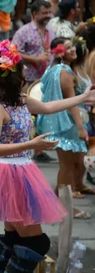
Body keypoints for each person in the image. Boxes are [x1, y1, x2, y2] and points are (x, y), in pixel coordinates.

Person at [0, 41, 95, 273]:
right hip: (8, 174)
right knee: (37, 242)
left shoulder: (20, 100)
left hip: (21, 172)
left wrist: (81, 99)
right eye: (20, 70)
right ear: (10, 75)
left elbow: (48, 107)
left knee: (13, 237)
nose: (25, 75)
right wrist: (31, 146)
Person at [37, 38, 90, 207]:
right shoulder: (65, 71)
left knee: (70, 164)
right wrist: (81, 128)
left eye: (72, 45)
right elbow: (72, 101)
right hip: (67, 124)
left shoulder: (52, 69)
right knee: (67, 167)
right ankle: (63, 208)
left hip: (62, 122)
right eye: (68, 47)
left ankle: (56, 203)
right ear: (59, 52)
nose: (73, 49)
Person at [13, 0, 54, 85]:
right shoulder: (23, 32)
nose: (48, 15)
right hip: (29, 80)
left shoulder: (50, 30)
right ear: (35, 14)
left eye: (49, 12)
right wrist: (36, 59)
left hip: (48, 78)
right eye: (44, 13)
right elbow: (13, 53)